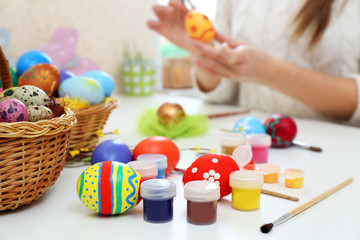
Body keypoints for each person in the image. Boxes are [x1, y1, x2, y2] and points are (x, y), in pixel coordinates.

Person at [147, 0, 360, 127]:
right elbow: (223, 94)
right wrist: (204, 50)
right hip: (253, 148)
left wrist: (269, 72)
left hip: (336, 152)